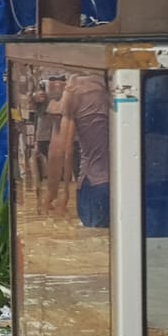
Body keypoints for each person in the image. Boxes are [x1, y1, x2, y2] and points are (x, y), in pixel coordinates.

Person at [47, 74, 110, 226]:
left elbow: (62, 149)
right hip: (130, 184)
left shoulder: (75, 88)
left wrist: (57, 192)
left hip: (94, 183)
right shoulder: (115, 81)